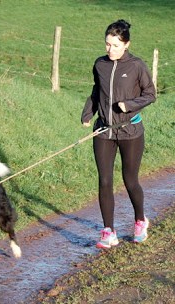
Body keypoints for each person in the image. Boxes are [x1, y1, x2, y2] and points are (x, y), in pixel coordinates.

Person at [81, 19, 156, 249]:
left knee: (130, 180)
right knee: (104, 181)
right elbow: (97, 91)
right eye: (107, 44)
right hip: (104, 130)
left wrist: (129, 105)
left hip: (130, 131)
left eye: (114, 45)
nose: (109, 49)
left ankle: (140, 221)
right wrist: (87, 113)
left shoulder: (136, 66)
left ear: (126, 44)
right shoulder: (100, 64)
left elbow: (150, 94)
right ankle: (108, 231)